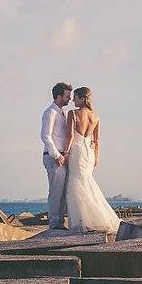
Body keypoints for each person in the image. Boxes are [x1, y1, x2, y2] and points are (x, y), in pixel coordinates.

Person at [64, 87, 122, 232]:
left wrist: (65, 153)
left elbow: (70, 136)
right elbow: (97, 140)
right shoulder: (95, 116)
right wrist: (96, 157)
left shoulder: (73, 113)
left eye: (75, 97)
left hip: (77, 151)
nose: (72, 100)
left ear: (83, 99)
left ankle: (81, 222)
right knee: (87, 183)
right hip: (89, 154)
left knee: (75, 184)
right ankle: (92, 218)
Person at [41, 82, 72, 229]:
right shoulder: (50, 113)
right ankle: (54, 224)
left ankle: (59, 222)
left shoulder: (65, 113)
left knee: (64, 192)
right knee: (56, 192)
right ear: (59, 96)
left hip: (63, 156)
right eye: (67, 96)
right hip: (53, 157)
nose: (70, 99)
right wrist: (57, 156)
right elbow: (45, 136)